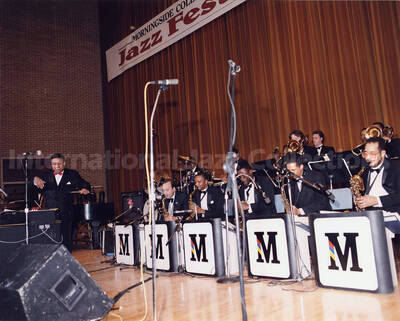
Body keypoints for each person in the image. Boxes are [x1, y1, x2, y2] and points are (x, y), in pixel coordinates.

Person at [30, 153, 90, 252]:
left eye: (59, 164)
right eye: (54, 164)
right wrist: (34, 180)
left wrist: (85, 188)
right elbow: (31, 187)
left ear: (64, 163)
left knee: (66, 239)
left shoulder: (72, 174)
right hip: (50, 214)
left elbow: (84, 183)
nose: (57, 166)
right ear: (51, 164)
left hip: (67, 212)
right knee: (52, 238)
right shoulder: (45, 175)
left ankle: (67, 258)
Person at [355, 137, 400, 213]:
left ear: (382, 153)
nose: (368, 157)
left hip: (392, 214)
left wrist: (377, 200)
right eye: (365, 153)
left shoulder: (396, 167)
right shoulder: (364, 171)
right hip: (370, 214)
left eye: (372, 153)